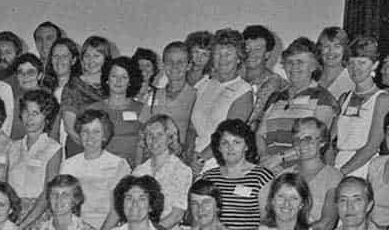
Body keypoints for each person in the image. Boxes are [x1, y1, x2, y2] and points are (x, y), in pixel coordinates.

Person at [249, 37, 336, 172]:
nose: (294, 67)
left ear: (313, 66)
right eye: (289, 62)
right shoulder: (276, 97)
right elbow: (260, 134)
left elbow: (316, 142)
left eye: (300, 62)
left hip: (302, 173)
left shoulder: (323, 98)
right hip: (270, 170)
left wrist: (280, 158)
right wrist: (265, 157)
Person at [59, 110, 130, 230]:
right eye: (85, 131)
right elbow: (63, 205)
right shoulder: (68, 165)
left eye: (96, 132)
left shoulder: (118, 165)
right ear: (79, 134)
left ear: (104, 135)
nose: (90, 137)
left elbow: (117, 210)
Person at [188, 29, 251, 165]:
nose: (222, 59)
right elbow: (191, 128)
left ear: (239, 58)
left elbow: (229, 134)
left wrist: (201, 159)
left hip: (219, 162)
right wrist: (189, 153)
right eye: (218, 54)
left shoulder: (244, 90)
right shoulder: (203, 85)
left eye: (228, 54)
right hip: (192, 158)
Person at [200, 120, 272, 230]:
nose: (230, 148)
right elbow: (201, 217)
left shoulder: (262, 177)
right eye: (225, 143)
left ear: (246, 146)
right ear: (219, 147)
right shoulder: (208, 178)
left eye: (236, 142)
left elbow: (267, 221)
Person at [332, 35, 389, 175]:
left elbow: (372, 146)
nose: (355, 68)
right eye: (351, 63)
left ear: (375, 65)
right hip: (338, 164)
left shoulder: (382, 99)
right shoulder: (344, 98)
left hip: (364, 167)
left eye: (362, 63)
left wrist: (342, 172)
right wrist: (330, 170)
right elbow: (329, 140)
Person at [8, 89, 63, 228]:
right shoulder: (12, 147)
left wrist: (23, 225)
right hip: (11, 212)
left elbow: (48, 193)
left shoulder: (53, 148)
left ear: (46, 117)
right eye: (26, 112)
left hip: (39, 216)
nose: (29, 118)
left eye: (35, 113)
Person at [133, 114, 192, 229]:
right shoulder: (138, 172)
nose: (154, 140)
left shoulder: (181, 170)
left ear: (170, 139)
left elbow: (176, 215)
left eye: (160, 135)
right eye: (150, 135)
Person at [140, 41, 196, 147]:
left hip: (180, 155)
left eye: (180, 62)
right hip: (154, 154)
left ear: (189, 65)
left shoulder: (195, 96)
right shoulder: (154, 95)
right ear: (163, 65)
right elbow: (142, 130)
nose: (174, 66)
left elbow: (195, 132)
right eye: (169, 62)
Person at [290, 117, 341, 230]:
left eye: (308, 139)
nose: (302, 144)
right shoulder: (284, 175)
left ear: (322, 142)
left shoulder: (333, 177)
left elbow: (327, 223)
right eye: (297, 139)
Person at [95, 56, 145, 164]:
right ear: (107, 79)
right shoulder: (94, 109)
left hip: (132, 167)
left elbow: (146, 142)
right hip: (100, 166)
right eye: (114, 76)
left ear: (130, 81)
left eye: (124, 77)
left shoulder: (142, 109)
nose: (118, 81)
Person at [316, 26, 354, 101]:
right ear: (320, 49)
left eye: (337, 46)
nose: (331, 51)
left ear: (344, 50)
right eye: (326, 46)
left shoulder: (352, 80)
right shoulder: (312, 78)